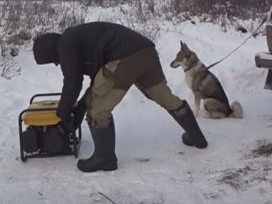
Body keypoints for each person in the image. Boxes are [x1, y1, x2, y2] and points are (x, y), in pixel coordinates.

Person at [32, 22, 207, 173]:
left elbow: (73, 82)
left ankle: (105, 158)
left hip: (125, 57)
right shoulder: (79, 39)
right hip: (145, 51)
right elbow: (97, 82)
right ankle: (196, 137)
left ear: (51, 52)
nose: (57, 63)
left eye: (54, 61)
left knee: (97, 108)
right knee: (164, 96)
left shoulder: (65, 45)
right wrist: (78, 110)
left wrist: (62, 115)